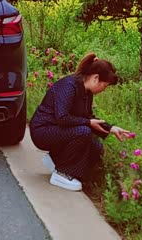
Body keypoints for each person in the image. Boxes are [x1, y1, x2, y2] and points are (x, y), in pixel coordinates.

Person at [29, 52, 131, 192]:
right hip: (42, 131)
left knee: (96, 147)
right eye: (105, 85)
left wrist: (110, 128)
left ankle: (57, 160)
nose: (104, 90)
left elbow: (88, 117)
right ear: (95, 78)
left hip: (58, 129)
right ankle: (62, 174)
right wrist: (88, 123)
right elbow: (62, 118)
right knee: (83, 131)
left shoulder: (86, 92)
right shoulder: (69, 86)